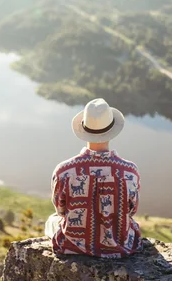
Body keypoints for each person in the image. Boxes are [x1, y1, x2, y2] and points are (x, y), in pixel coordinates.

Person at [45, 98, 142, 257]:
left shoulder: (64, 170)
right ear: (112, 131)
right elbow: (132, 210)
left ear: (84, 130)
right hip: (120, 243)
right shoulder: (130, 171)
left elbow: (61, 210)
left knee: (52, 220)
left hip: (73, 244)